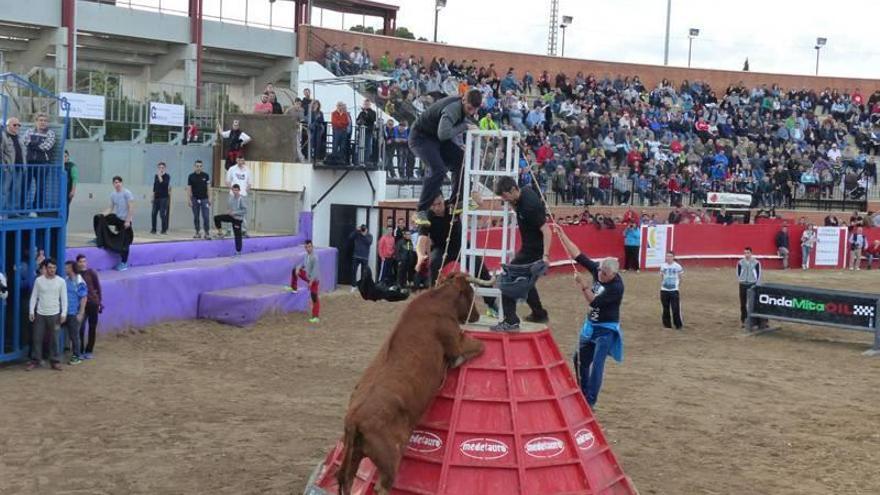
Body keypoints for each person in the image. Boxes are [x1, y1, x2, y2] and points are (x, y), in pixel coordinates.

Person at [552, 224, 624, 407]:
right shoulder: (600, 271)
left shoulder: (616, 288)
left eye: (604, 274)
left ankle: (590, 401)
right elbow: (578, 255)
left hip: (606, 329)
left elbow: (593, 301)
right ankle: (583, 393)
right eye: (599, 270)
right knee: (579, 360)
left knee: (597, 365)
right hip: (591, 325)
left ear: (613, 274)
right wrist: (562, 234)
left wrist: (583, 285)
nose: (599, 274)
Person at [480, 176, 551, 331]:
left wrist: (545, 257)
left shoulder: (529, 207)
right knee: (526, 281)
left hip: (533, 251)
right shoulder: (525, 191)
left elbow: (546, 230)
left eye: (505, 196)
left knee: (509, 277)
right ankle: (539, 314)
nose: (505, 200)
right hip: (529, 247)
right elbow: (516, 204)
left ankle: (511, 320)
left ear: (513, 190)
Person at [415, 192, 498, 314]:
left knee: (481, 270)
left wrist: (478, 200)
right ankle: (434, 304)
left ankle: (491, 305)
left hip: (462, 246)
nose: (437, 208)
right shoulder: (426, 216)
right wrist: (420, 256)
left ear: (444, 200)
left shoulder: (453, 206)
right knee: (433, 265)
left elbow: (476, 204)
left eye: (439, 204)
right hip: (441, 249)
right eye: (433, 205)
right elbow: (422, 239)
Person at [409, 89, 482, 226]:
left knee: (461, 158)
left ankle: (456, 202)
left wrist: (458, 145)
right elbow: (444, 133)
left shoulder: (463, 107)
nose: (470, 112)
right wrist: (465, 126)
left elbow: (447, 132)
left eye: (474, 110)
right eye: (469, 108)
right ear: (464, 100)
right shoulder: (452, 109)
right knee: (438, 170)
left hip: (436, 139)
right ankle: (421, 210)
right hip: (421, 138)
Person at [26, 258, 67, 371]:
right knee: (37, 338)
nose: (52, 270)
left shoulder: (61, 281)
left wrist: (63, 313)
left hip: (55, 314)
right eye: (49, 267)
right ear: (46, 268)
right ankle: (36, 360)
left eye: (54, 267)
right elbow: (34, 296)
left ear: (56, 268)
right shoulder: (39, 281)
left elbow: (64, 299)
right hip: (40, 314)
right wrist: (31, 311)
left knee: (55, 338)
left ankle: (55, 361)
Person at [93, 176, 135, 271]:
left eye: (118, 182)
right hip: (117, 218)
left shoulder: (127, 193)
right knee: (98, 218)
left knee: (125, 243)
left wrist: (128, 221)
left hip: (125, 221)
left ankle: (124, 263)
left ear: (121, 183)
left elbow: (131, 208)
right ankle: (100, 238)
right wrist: (102, 215)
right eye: (115, 182)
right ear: (113, 184)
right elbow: (110, 208)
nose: (117, 184)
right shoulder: (113, 194)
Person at [23, 112, 56, 216]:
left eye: (45, 121)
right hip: (28, 163)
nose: (43, 122)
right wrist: (38, 143)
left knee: (40, 187)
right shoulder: (29, 131)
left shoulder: (51, 133)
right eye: (40, 120)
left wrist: (32, 144)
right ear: (36, 122)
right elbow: (24, 141)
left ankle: (37, 209)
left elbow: (46, 147)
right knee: (25, 185)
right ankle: (22, 207)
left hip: (43, 164)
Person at [76, 254, 101, 359]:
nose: (82, 263)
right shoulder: (76, 275)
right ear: (77, 263)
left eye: (84, 261)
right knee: (81, 328)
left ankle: (89, 350)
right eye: (80, 261)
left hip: (92, 303)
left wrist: (99, 302)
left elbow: (98, 288)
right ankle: (80, 350)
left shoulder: (91, 273)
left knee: (92, 327)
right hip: (81, 304)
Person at [290, 240, 321, 323]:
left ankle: (316, 317)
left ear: (312, 247)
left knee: (314, 296)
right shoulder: (306, 256)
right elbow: (303, 264)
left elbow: (315, 271)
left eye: (309, 246)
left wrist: (310, 282)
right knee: (294, 270)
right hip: (307, 276)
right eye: (306, 247)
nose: (308, 248)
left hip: (314, 280)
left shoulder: (315, 257)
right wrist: (298, 268)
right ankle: (294, 288)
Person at [63, 261, 87, 365]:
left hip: (74, 312)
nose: (65, 269)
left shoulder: (79, 281)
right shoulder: (65, 280)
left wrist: (81, 313)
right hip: (65, 312)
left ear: (71, 268)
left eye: (66, 267)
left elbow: (83, 298)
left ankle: (77, 355)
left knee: (74, 335)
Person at [213, 184, 246, 257]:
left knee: (237, 235)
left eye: (236, 190)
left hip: (237, 219)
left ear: (239, 191)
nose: (235, 191)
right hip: (231, 217)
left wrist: (234, 213)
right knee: (216, 218)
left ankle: (238, 252)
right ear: (232, 190)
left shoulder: (241, 199)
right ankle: (220, 233)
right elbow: (230, 208)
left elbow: (244, 210)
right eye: (234, 190)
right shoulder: (231, 198)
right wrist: (229, 211)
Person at [737, 247, 764, 330]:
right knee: (743, 304)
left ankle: (754, 321)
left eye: (748, 253)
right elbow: (738, 273)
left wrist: (757, 285)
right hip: (742, 284)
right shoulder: (740, 262)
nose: (746, 255)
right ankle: (744, 320)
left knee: (752, 303)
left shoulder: (756, 263)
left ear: (751, 253)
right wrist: (741, 280)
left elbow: (758, 275)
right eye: (745, 253)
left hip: (752, 285)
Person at [187, 160, 211, 239]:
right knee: (196, 217)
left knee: (206, 216)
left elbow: (208, 188)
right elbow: (189, 189)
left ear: (202, 167)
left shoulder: (206, 175)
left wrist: (209, 199)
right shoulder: (191, 176)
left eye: (200, 166)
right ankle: (197, 232)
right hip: (194, 199)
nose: (199, 168)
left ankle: (207, 233)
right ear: (194, 167)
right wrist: (189, 200)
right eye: (197, 166)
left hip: (204, 199)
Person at [659, 251, 684, 330]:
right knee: (665, 308)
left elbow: (681, 278)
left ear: (673, 257)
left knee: (675, 308)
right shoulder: (663, 266)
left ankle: (678, 325)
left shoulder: (677, 266)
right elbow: (662, 276)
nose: (668, 258)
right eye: (667, 256)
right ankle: (667, 325)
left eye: (670, 256)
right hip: (664, 290)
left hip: (674, 290)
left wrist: (676, 286)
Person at [348, 224, 373, 292]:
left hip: (364, 257)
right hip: (356, 256)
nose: (363, 230)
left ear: (367, 229)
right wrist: (356, 230)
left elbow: (369, 242)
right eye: (362, 228)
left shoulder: (369, 235)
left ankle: (362, 286)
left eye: (364, 229)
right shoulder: (357, 234)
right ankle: (353, 285)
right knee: (353, 271)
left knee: (364, 273)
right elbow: (350, 237)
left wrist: (364, 235)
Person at [150, 162, 171, 235]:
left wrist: (159, 176)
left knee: (162, 214)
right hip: (156, 197)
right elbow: (154, 186)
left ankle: (164, 230)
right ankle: (153, 229)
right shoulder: (156, 176)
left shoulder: (167, 176)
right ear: (158, 168)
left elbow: (164, 184)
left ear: (165, 168)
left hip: (164, 198)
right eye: (159, 168)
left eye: (162, 168)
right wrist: (153, 196)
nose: (161, 169)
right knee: (153, 213)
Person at [356, 99, 377, 164]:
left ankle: (366, 160)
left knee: (368, 146)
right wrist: (359, 122)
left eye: (367, 104)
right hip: (362, 131)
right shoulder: (361, 113)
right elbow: (358, 120)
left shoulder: (373, 112)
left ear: (370, 105)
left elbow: (372, 119)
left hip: (368, 131)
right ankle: (359, 160)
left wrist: (367, 113)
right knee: (360, 145)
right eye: (365, 104)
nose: (366, 105)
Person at [63, 150, 78, 224]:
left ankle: (64, 223)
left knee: (65, 207)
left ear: (68, 157)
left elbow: (75, 179)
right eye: (62, 156)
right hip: (59, 192)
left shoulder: (72, 166)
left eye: (65, 156)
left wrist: (73, 191)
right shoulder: (60, 166)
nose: (64, 158)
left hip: (67, 190)